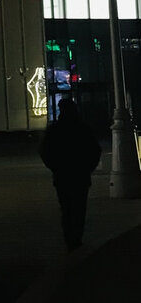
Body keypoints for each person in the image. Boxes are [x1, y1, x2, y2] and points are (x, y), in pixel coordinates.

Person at [39, 99, 102, 251]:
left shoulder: (55, 130)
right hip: (80, 175)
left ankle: (69, 238)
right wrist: (88, 168)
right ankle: (77, 238)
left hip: (62, 176)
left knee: (66, 209)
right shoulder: (83, 129)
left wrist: (55, 167)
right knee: (79, 208)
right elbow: (95, 150)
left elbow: (45, 151)